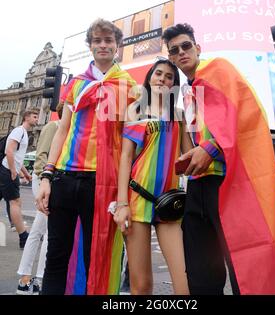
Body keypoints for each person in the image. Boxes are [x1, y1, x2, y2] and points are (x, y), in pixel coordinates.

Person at [162, 23, 275, 295]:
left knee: (245, 267)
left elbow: (246, 115)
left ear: (198, 48)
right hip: (197, 187)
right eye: (175, 50)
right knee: (201, 272)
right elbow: (200, 136)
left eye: (186, 46)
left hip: (229, 183)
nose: (182, 53)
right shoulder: (188, 95)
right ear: (172, 58)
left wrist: (210, 149)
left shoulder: (220, 69)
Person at [36, 18, 136, 295]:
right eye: (97, 40)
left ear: (117, 46)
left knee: (96, 260)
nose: (103, 45)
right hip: (65, 178)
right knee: (55, 256)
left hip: (102, 184)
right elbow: (62, 130)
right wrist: (47, 175)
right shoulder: (76, 84)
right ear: (90, 46)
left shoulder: (129, 87)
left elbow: (129, 144)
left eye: (108, 40)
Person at [114, 59, 190, 295]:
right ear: (149, 77)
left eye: (169, 77)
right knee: (142, 286)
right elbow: (126, 158)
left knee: (185, 283)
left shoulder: (178, 114)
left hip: (170, 203)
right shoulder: (135, 109)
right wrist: (122, 204)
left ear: (174, 85)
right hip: (137, 200)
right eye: (158, 74)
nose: (162, 79)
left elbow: (188, 156)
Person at [16, 102, 63, 295]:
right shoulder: (54, 126)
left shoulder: (67, 129)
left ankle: (27, 279)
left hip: (52, 181)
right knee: (44, 229)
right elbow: (41, 157)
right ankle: (35, 279)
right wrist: (45, 180)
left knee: (39, 229)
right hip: (44, 180)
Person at [0, 109, 39, 249]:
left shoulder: (24, 134)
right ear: (26, 117)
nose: (37, 119)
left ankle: (23, 235)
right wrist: (12, 171)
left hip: (8, 170)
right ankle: (23, 237)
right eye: (34, 116)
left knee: (15, 202)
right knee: (15, 202)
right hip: (7, 170)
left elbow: (18, 157)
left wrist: (25, 173)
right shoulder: (19, 131)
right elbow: (9, 152)